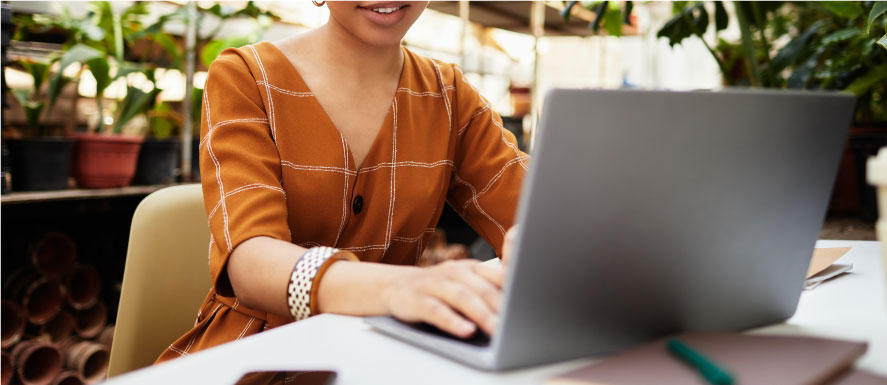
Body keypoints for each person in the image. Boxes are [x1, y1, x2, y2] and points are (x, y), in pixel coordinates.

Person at [157, 0, 528, 363]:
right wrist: (401, 288)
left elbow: (539, 212)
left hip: (384, 359)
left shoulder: (450, 97)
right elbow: (250, 265)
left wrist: (537, 235)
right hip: (255, 360)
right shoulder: (248, 77)